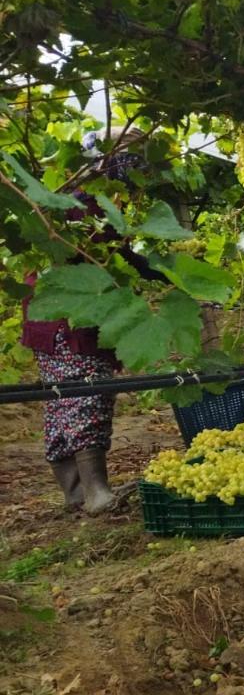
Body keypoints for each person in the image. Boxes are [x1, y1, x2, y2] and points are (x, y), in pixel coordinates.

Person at [21, 128, 163, 515]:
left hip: (50, 319)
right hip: (71, 321)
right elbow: (114, 257)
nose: (137, 173)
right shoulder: (84, 206)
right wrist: (160, 272)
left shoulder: (72, 198)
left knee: (62, 400)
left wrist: (155, 272)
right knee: (88, 396)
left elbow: (116, 256)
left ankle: (75, 493)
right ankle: (95, 492)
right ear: (110, 163)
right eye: (132, 163)